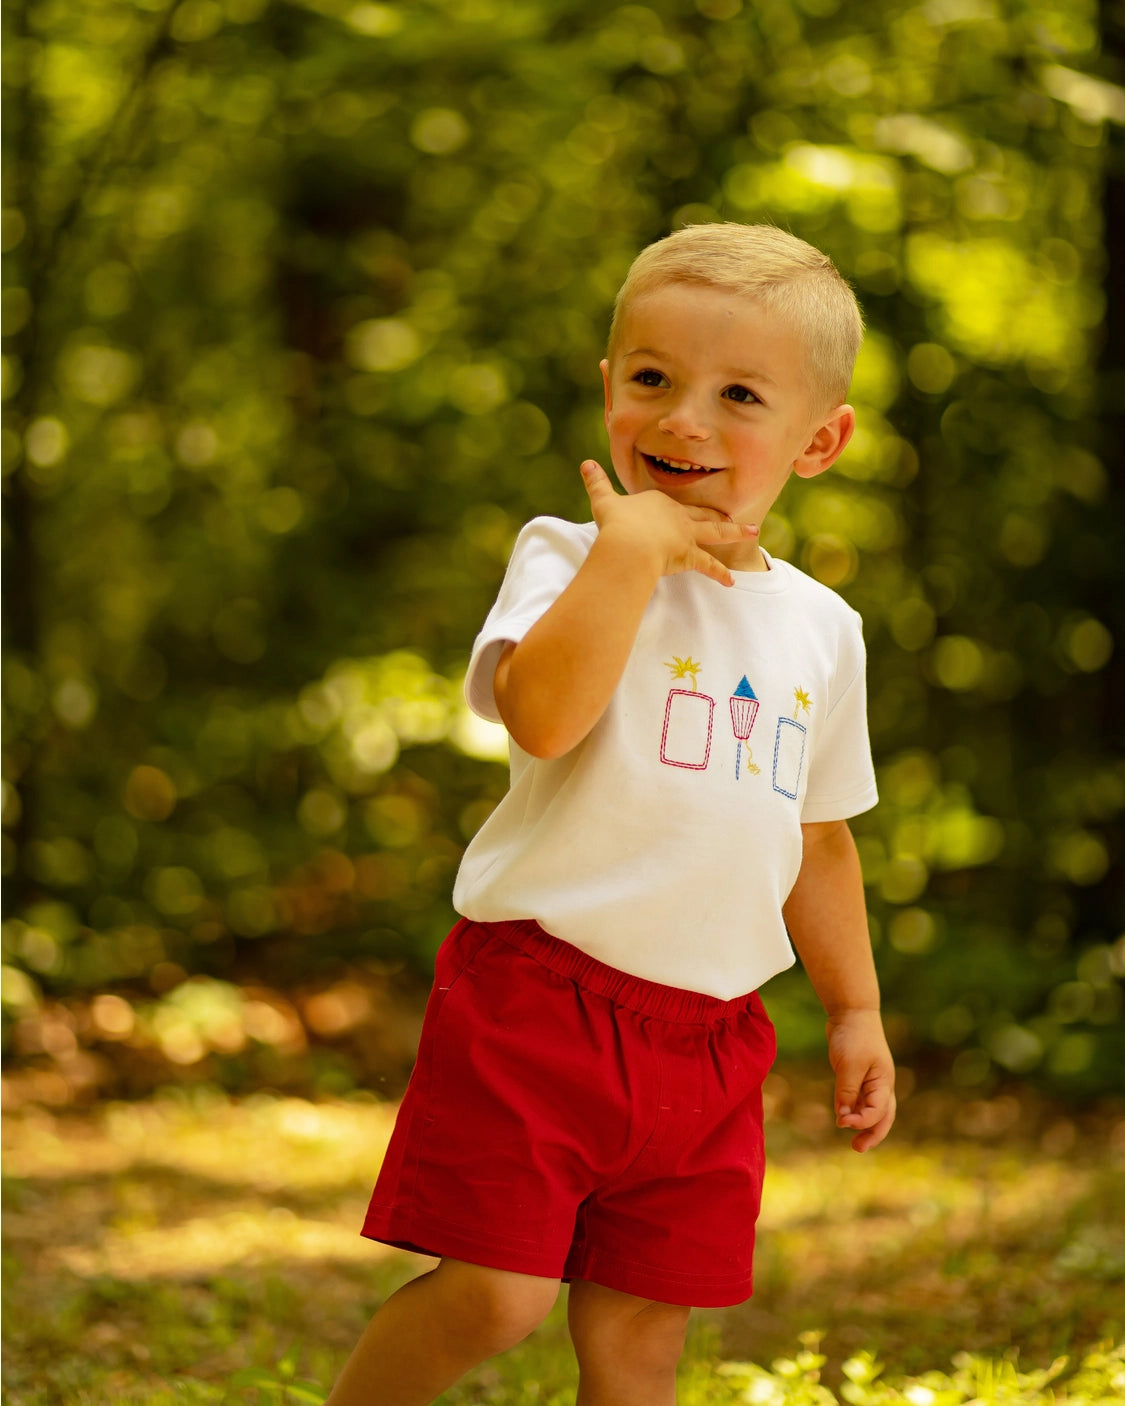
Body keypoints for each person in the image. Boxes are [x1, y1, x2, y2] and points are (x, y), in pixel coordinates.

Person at [326, 222, 896, 1406]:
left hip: (710, 1036)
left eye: (739, 394)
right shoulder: (570, 555)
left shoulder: (821, 629)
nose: (685, 418)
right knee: (495, 1294)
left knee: (640, 1340)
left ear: (820, 439)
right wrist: (627, 562)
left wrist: (855, 1008)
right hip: (539, 998)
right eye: (652, 380)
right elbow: (539, 715)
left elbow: (820, 832)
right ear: (608, 391)